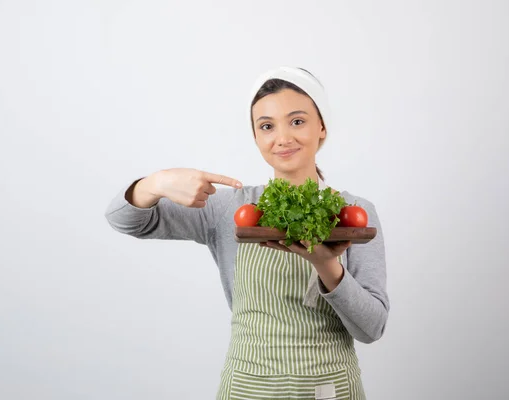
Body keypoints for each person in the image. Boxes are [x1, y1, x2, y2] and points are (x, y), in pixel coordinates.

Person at [104, 66, 389, 400]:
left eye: (297, 121)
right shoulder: (231, 209)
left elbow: (372, 328)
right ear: (256, 137)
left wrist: (327, 266)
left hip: (328, 390)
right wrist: (157, 182)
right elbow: (124, 220)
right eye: (266, 126)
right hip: (246, 390)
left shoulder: (353, 212)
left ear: (322, 127)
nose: (283, 138)